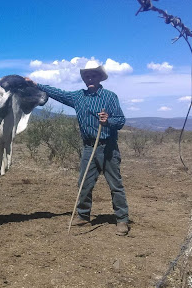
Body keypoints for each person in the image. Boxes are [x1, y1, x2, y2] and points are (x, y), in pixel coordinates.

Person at [26, 65, 129, 236]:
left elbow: (121, 120)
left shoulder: (110, 97)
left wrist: (108, 120)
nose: (90, 78)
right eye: (87, 76)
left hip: (108, 148)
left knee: (115, 185)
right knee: (84, 183)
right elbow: (57, 93)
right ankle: (83, 216)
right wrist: (36, 84)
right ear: (84, 78)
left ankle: (122, 220)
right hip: (89, 147)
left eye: (93, 75)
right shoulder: (77, 97)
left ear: (99, 78)